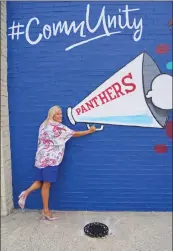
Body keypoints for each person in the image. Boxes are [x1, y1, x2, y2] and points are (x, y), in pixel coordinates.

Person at [18, 105, 96, 220]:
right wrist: (89, 131)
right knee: (47, 185)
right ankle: (46, 211)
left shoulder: (43, 125)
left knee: (40, 182)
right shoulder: (58, 127)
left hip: (40, 159)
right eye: (58, 114)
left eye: (61, 114)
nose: (61, 116)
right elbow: (75, 134)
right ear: (52, 114)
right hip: (51, 160)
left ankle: (26, 193)